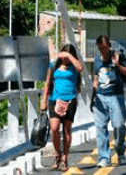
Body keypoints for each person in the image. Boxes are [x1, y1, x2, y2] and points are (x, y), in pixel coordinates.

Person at [92, 35, 126, 168]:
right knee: (100, 128)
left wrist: (117, 65)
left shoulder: (118, 57)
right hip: (100, 97)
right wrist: (93, 97)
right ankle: (104, 157)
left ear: (109, 46)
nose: (103, 50)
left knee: (119, 126)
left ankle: (120, 151)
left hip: (116, 97)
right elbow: (95, 79)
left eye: (105, 48)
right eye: (100, 48)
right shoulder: (97, 60)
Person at [41, 43, 83, 171]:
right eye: (63, 56)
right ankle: (57, 154)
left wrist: (69, 56)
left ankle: (65, 157)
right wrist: (43, 101)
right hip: (54, 100)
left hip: (70, 101)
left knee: (66, 130)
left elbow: (81, 67)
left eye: (67, 56)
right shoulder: (53, 65)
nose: (65, 59)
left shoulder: (74, 66)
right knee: (54, 128)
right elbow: (47, 83)